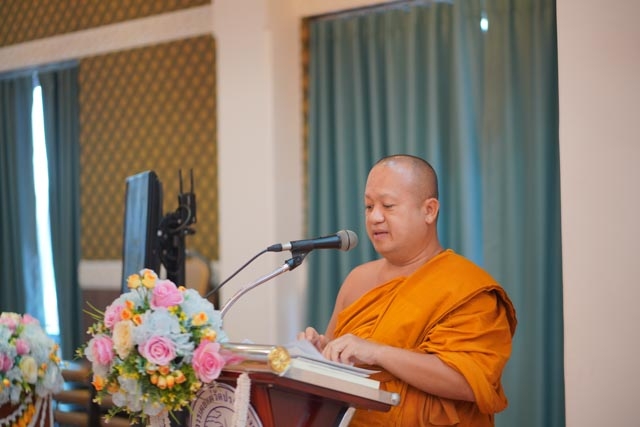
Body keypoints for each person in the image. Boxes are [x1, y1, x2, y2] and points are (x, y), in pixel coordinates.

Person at [298, 154, 517, 426]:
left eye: (388, 206)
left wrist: (377, 352)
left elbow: (471, 382)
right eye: (369, 206)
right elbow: (335, 375)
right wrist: (321, 353)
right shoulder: (357, 280)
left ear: (429, 210)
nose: (375, 217)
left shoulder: (467, 286)